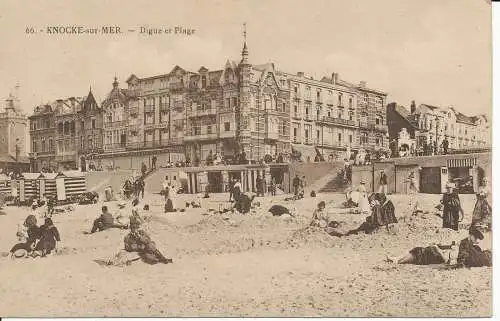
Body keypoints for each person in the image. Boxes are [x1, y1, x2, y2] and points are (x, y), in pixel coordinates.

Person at [386, 242, 454, 265]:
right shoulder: (443, 252)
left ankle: (397, 261)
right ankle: (396, 259)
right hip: (423, 252)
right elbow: (441, 247)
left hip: (423, 257)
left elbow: (444, 260)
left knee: (414, 255)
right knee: (412, 251)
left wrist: (436, 247)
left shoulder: (444, 258)